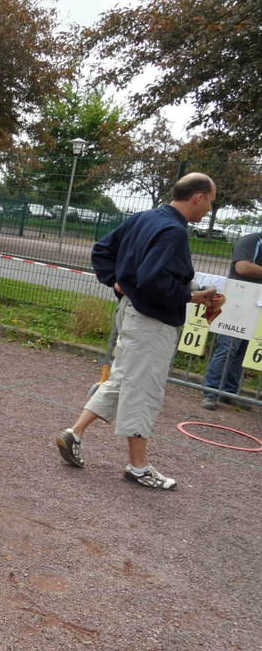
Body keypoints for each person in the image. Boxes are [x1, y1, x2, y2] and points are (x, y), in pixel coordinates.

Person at [54, 173, 221, 490]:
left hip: (131, 312)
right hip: (151, 322)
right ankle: (139, 467)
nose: (209, 209)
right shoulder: (174, 231)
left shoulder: (145, 218)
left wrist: (117, 281)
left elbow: (102, 251)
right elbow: (153, 278)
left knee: (122, 379)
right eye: (210, 202)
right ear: (197, 197)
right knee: (144, 390)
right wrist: (191, 297)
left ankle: (74, 433)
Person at [201, 229, 262, 410]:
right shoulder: (251, 240)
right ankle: (210, 392)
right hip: (238, 302)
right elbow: (243, 267)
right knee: (227, 348)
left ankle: (230, 393)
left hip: (255, 304)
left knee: (241, 350)